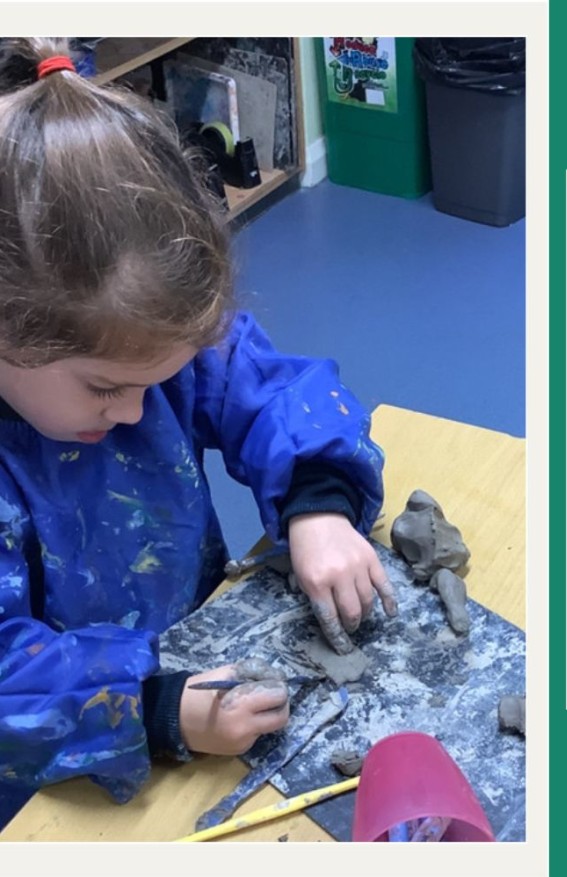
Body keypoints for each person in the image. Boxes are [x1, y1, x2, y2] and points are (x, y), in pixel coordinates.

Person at [0, 38, 394, 827]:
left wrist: (317, 502)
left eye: (160, 381)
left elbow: (276, 390)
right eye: (108, 387)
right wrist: (151, 706)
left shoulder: (141, 344)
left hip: (192, 654)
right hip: (56, 782)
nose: (142, 412)